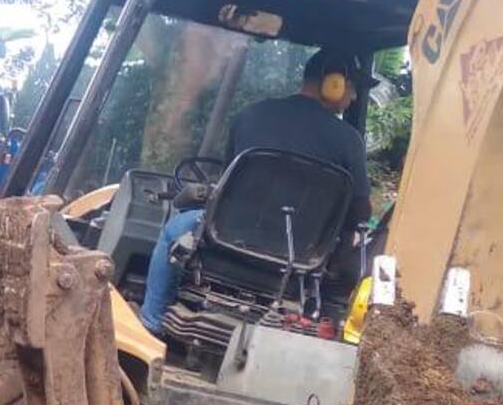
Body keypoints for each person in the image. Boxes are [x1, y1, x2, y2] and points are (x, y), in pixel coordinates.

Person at [138, 48, 374, 335]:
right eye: (352, 88)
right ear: (332, 82)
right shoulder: (349, 141)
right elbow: (361, 211)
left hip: (227, 240)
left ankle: (151, 324)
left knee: (175, 227)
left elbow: (226, 186)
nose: (353, 98)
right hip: (301, 259)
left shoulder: (251, 115)